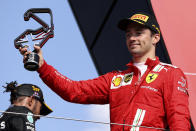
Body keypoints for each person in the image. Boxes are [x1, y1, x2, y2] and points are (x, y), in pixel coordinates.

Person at [19, 12, 190, 130]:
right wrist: (42, 66)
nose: (132, 38)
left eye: (138, 33)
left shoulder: (171, 73)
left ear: (155, 38)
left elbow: (179, 118)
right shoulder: (116, 79)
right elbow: (74, 91)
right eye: (128, 34)